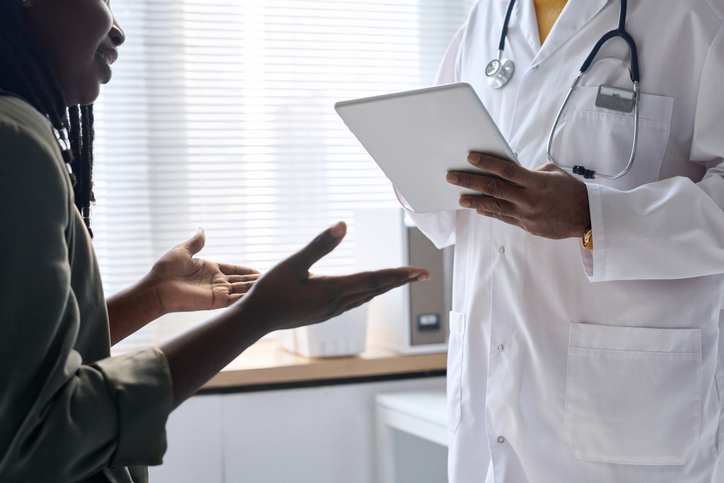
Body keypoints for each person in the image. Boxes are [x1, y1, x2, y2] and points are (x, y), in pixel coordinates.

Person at [0, 0, 429, 481]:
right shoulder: (14, 139)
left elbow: (21, 372)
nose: (118, 30)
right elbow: (38, 435)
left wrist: (151, 298)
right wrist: (255, 317)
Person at [400, 0, 724, 482]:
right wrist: (411, 170)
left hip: (629, 418)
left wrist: (594, 215)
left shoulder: (696, 15)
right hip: (490, 407)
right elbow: (445, 210)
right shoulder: (489, 17)